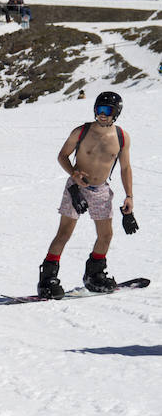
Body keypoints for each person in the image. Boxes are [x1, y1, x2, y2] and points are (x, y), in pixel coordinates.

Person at [37, 91, 134, 299]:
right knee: (64, 233)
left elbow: (125, 168)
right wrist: (73, 173)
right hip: (76, 188)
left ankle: (95, 275)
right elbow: (62, 155)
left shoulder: (121, 137)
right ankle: (47, 279)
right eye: (99, 109)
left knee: (106, 235)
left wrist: (129, 196)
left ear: (116, 112)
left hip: (101, 191)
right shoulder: (81, 132)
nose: (102, 114)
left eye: (108, 110)